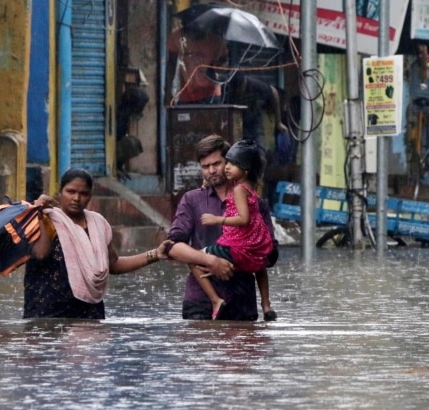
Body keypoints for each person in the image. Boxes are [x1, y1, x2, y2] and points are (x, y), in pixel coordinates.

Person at [23, 168, 176, 319]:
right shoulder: (46, 220)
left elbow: (113, 264)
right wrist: (39, 213)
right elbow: (41, 254)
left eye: (83, 194)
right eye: (70, 191)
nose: (76, 198)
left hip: (88, 312)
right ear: (60, 191)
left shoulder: (98, 224)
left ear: (90, 196)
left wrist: (155, 254)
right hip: (46, 313)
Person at [167, 135, 279, 322]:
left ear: (230, 162)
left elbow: (271, 255)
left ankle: (265, 305)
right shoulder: (192, 200)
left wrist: (237, 259)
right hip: (201, 304)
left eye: (217, 164)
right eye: (205, 167)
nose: (211, 171)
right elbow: (172, 247)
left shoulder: (254, 202)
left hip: (241, 304)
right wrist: (211, 262)